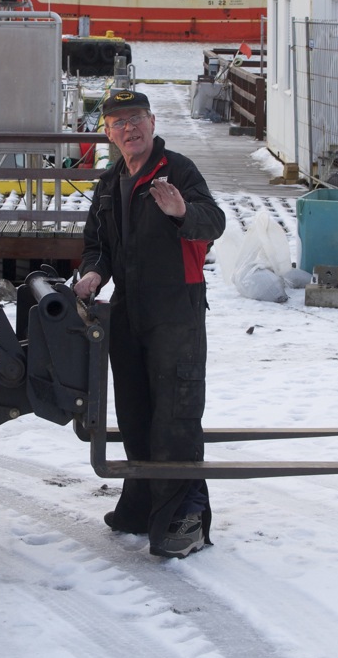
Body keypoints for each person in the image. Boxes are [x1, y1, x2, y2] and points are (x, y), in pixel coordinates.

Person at [73, 89, 226, 558]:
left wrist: (181, 212)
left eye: (136, 118)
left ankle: (184, 519)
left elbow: (213, 222)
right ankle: (140, 505)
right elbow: (96, 241)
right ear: (108, 132)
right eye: (118, 122)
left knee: (176, 417)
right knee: (136, 413)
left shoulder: (177, 170)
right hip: (129, 310)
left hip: (175, 311)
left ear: (153, 122)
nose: (129, 128)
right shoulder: (110, 180)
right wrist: (95, 272)